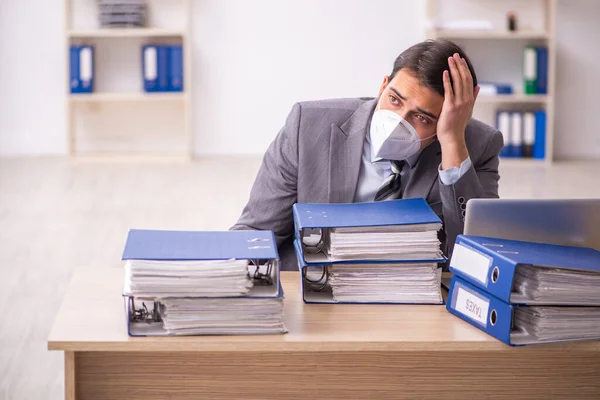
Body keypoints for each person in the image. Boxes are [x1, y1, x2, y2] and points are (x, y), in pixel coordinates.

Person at [232, 39, 503, 270]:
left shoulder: (477, 145)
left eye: (421, 117)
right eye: (394, 100)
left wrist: (453, 141)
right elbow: (257, 232)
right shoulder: (308, 126)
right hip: (315, 285)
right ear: (383, 86)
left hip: (410, 298)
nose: (399, 121)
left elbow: (475, 255)